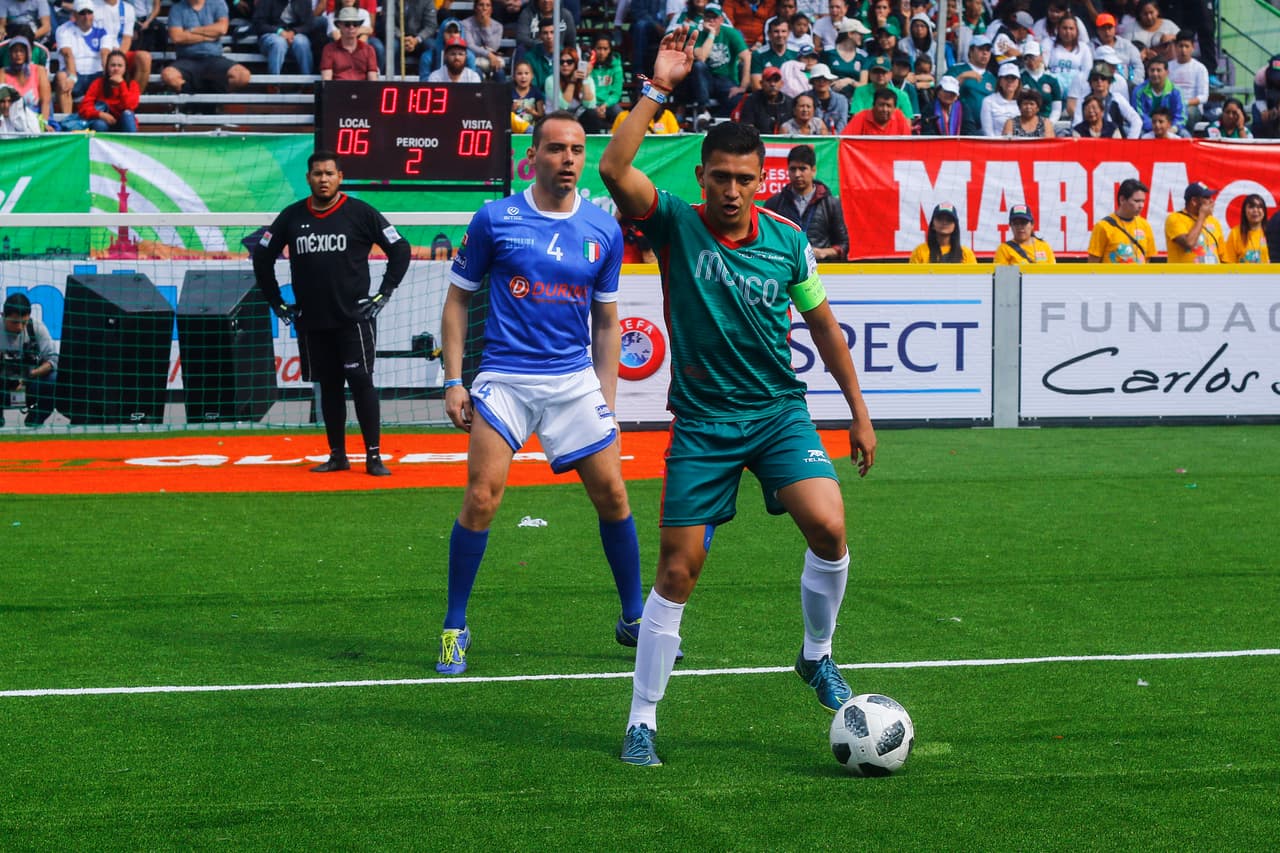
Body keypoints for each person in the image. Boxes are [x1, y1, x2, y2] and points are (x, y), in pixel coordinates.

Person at [600, 28, 877, 767]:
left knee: (828, 524)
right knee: (678, 569)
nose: (730, 190)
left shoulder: (789, 242)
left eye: (744, 179)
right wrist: (658, 88)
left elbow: (824, 327)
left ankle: (816, 654)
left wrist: (858, 412)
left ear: (763, 179)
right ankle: (643, 721)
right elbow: (613, 165)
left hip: (778, 412)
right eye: (719, 176)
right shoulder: (675, 223)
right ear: (702, 175)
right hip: (703, 423)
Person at [437, 111, 645, 676]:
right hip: (504, 377)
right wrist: (454, 380)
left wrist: (608, 399)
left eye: (577, 149)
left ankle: (635, 619)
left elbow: (607, 323)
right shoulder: (494, 218)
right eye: (556, 149)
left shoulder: (604, 230)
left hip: (574, 381)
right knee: (481, 499)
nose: (569, 160)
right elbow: (457, 301)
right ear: (533, 156)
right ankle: (455, 626)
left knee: (615, 497)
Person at [252, 151, 411, 476]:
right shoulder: (292, 217)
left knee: (361, 381)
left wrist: (383, 294)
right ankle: (337, 455)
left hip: (353, 319)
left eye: (329, 173)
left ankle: (374, 456)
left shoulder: (360, 213)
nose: (323, 179)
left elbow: (400, 248)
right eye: (317, 174)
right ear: (308, 178)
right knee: (329, 385)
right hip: (312, 321)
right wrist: (276, 302)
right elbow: (262, 256)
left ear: (340, 177)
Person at [763, 143, 848, 260]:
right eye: (793, 169)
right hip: (786, 269)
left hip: (822, 270)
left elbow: (843, 245)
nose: (797, 174)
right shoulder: (774, 204)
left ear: (813, 170)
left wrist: (824, 252)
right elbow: (765, 243)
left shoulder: (831, 204)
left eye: (803, 169)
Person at [161, 0, 250, 95]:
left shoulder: (218, 3)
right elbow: (177, 37)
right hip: (186, 60)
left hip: (214, 59)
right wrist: (209, 35)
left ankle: (215, 96)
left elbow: (222, 29)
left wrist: (191, 30)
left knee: (242, 76)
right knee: (169, 75)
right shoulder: (177, 8)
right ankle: (193, 100)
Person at [680, 2, 749, 122]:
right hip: (705, 80)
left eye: (715, 17)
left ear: (721, 19)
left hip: (726, 78)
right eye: (708, 17)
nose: (711, 20)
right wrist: (711, 34)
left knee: (738, 101)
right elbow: (701, 57)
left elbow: (747, 57)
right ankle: (703, 110)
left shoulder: (731, 33)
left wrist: (743, 86)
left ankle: (716, 120)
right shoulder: (697, 34)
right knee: (698, 66)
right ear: (703, 18)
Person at [1, 292, 57, 427]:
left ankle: (35, 420)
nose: (19, 327)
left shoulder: (36, 328)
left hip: (28, 385)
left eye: (24, 322)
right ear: (3, 316)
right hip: (3, 387)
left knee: (54, 379)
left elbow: (53, 359)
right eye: (14, 322)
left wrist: (30, 375)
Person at [54, 0, 113, 114]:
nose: (86, 17)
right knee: (62, 77)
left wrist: (107, 76)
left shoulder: (103, 30)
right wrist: (72, 77)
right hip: (76, 74)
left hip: (96, 74)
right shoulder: (63, 29)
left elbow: (105, 54)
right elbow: (68, 55)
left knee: (113, 76)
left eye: (89, 12)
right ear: (75, 15)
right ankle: (67, 120)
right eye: (82, 13)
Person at [1088, 178, 1155, 263]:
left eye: (1143, 201)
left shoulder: (1145, 225)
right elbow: (1092, 265)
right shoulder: (1103, 226)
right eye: (1137, 201)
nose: (1141, 205)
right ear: (1122, 199)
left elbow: (1147, 259)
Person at [945, 33, 994, 136]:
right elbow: (943, 93)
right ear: (971, 51)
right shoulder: (957, 69)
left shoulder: (993, 78)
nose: (985, 53)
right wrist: (962, 77)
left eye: (988, 50)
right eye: (981, 49)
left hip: (985, 130)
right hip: (959, 127)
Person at [77, 47, 137, 130]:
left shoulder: (132, 84)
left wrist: (122, 84)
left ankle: (131, 142)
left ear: (125, 68)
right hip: (104, 121)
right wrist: (100, 114)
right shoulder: (98, 83)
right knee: (98, 124)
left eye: (120, 66)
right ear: (107, 67)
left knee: (128, 114)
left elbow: (130, 106)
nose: (116, 68)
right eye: (113, 65)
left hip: (123, 120)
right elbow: (84, 107)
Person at [1165, 181, 1223, 264]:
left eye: (1211, 197)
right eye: (1207, 197)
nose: (1212, 201)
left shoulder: (1214, 221)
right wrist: (1202, 216)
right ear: (1194, 201)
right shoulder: (1175, 218)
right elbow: (1189, 243)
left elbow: (1222, 256)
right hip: (1185, 276)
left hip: (1213, 275)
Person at [1, 35, 51, 127]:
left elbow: (45, 102)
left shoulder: (39, 70)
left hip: (36, 118)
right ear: (10, 54)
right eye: (15, 51)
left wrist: (44, 123)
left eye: (22, 51)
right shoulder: (2, 73)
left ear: (27, 53)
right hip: (11, 119)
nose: (18, 54)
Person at [320, 5, 378, 80]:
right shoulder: (329, 49)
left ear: (359, 26)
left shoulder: (369, 50)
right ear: (339, 26)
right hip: (338, 90)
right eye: (347, 24)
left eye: (355, 24)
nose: (351, 27)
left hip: (362, 90)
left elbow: (373, 80)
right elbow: (326, 80)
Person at [1133, 57, 1186, 133]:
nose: (1155, 73)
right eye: (1152, 70)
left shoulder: (1176, 91)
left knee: (1184, 134)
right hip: (1147, 129)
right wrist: (1157, 127)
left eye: (1158, 70)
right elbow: (1139, 116)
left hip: (1170, 129)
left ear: (1167, 72)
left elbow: (1181, 116)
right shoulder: (1138, 91)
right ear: (1148, 72)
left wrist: (1173, 128)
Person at [909, 202, 976, 263]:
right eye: (940, 218)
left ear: (955, 226)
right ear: (933, 224)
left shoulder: (966, 254)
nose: (944, 222)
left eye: (949, 220)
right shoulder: (920, 252)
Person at [1167, 28, 1207, 124]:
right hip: (1171, 105)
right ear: (1175, 47)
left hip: (1192, 108)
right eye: (1180, 46)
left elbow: (1203, 96)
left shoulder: (1200, 68)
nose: (1183, 50)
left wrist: (1184, 103)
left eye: (1187, 46)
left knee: (1187, 112)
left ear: (1193, 47)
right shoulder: (1168, 66)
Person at [739, 64, 792, 133]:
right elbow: (747, 127)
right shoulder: (751, 100)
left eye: (776, 80)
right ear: (761, 83)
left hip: (783, 141)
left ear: (781, 84)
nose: (772, 84)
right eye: (768, 80)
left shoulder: (789, 102)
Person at [586, 34, 624, 131]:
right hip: (589, 103)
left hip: (608, 104)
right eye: (599, 48)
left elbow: (616, 94)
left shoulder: (616, 67)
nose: (602, 52)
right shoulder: (586, 65)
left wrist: (604, 106)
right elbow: (582, 91)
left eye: (605, 49)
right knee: (590, 115)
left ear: (610, 50)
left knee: (621, 116)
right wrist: (587, 72)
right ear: (593, 49)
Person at [460, 0, 505, 80]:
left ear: (491, 9)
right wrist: (489, 54)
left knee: (500, 72)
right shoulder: (465, 24)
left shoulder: (498, 26)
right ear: (475, 8)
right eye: (481, 5)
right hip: (473, 60)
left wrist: (486, 26)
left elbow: (493, 47)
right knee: (477, 73)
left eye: (488, 5)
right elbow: (470, 46)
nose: (484, 8)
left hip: (490, 60)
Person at [391, 0, 435, 79]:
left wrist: (416, 40)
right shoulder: (391, 1)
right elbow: (389, 23)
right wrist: (402, 37)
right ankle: (394, 81)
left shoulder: (427, 1)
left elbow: (430, 26)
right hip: (399, 38)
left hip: (420, 39)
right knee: (392, 46)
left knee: (431, 46)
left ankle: (427, 80)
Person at [750, 15, 796, 90]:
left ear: (789, 33)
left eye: (783, 31)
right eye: (776, 31)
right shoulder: (758, 54)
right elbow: (757, 86)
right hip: (767, 96)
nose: (780, 35)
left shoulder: (797, 53)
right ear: (769, 34)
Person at [1221, 194, 1269, 264]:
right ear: (1244, 211)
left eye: (1259, 207)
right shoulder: (1235, 233)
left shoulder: (1271, 232)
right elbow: (1228, 263)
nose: (1255, 210)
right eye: (1251, 207)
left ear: (1264, 211)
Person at [844, 84, 911, 134]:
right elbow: (844, 140)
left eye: (889, 106)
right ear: (873, 105)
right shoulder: (862, 116)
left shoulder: (899, 116)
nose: (885, 109)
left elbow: (908, 143)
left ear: (894, 108)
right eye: (881, 105)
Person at [980, 61, 1021, 136]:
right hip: (995, 145)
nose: (1010, 82)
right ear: (1000, 81)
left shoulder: (1023, 101)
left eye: (1013, 78)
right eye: (1006, 78)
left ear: (1018, 82)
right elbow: (988, 132)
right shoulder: (988, 101)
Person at [509, 58, 543, 132]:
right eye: (519, 74)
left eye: (526, 73)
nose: (523, 77)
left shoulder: (536, 92)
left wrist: (532, 112)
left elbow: (541, 115)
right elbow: (505, 116)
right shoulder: (509, 92)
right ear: (514, 77)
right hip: (515, 131)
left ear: (532, 76)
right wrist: (512, 110)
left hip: (532, 130)